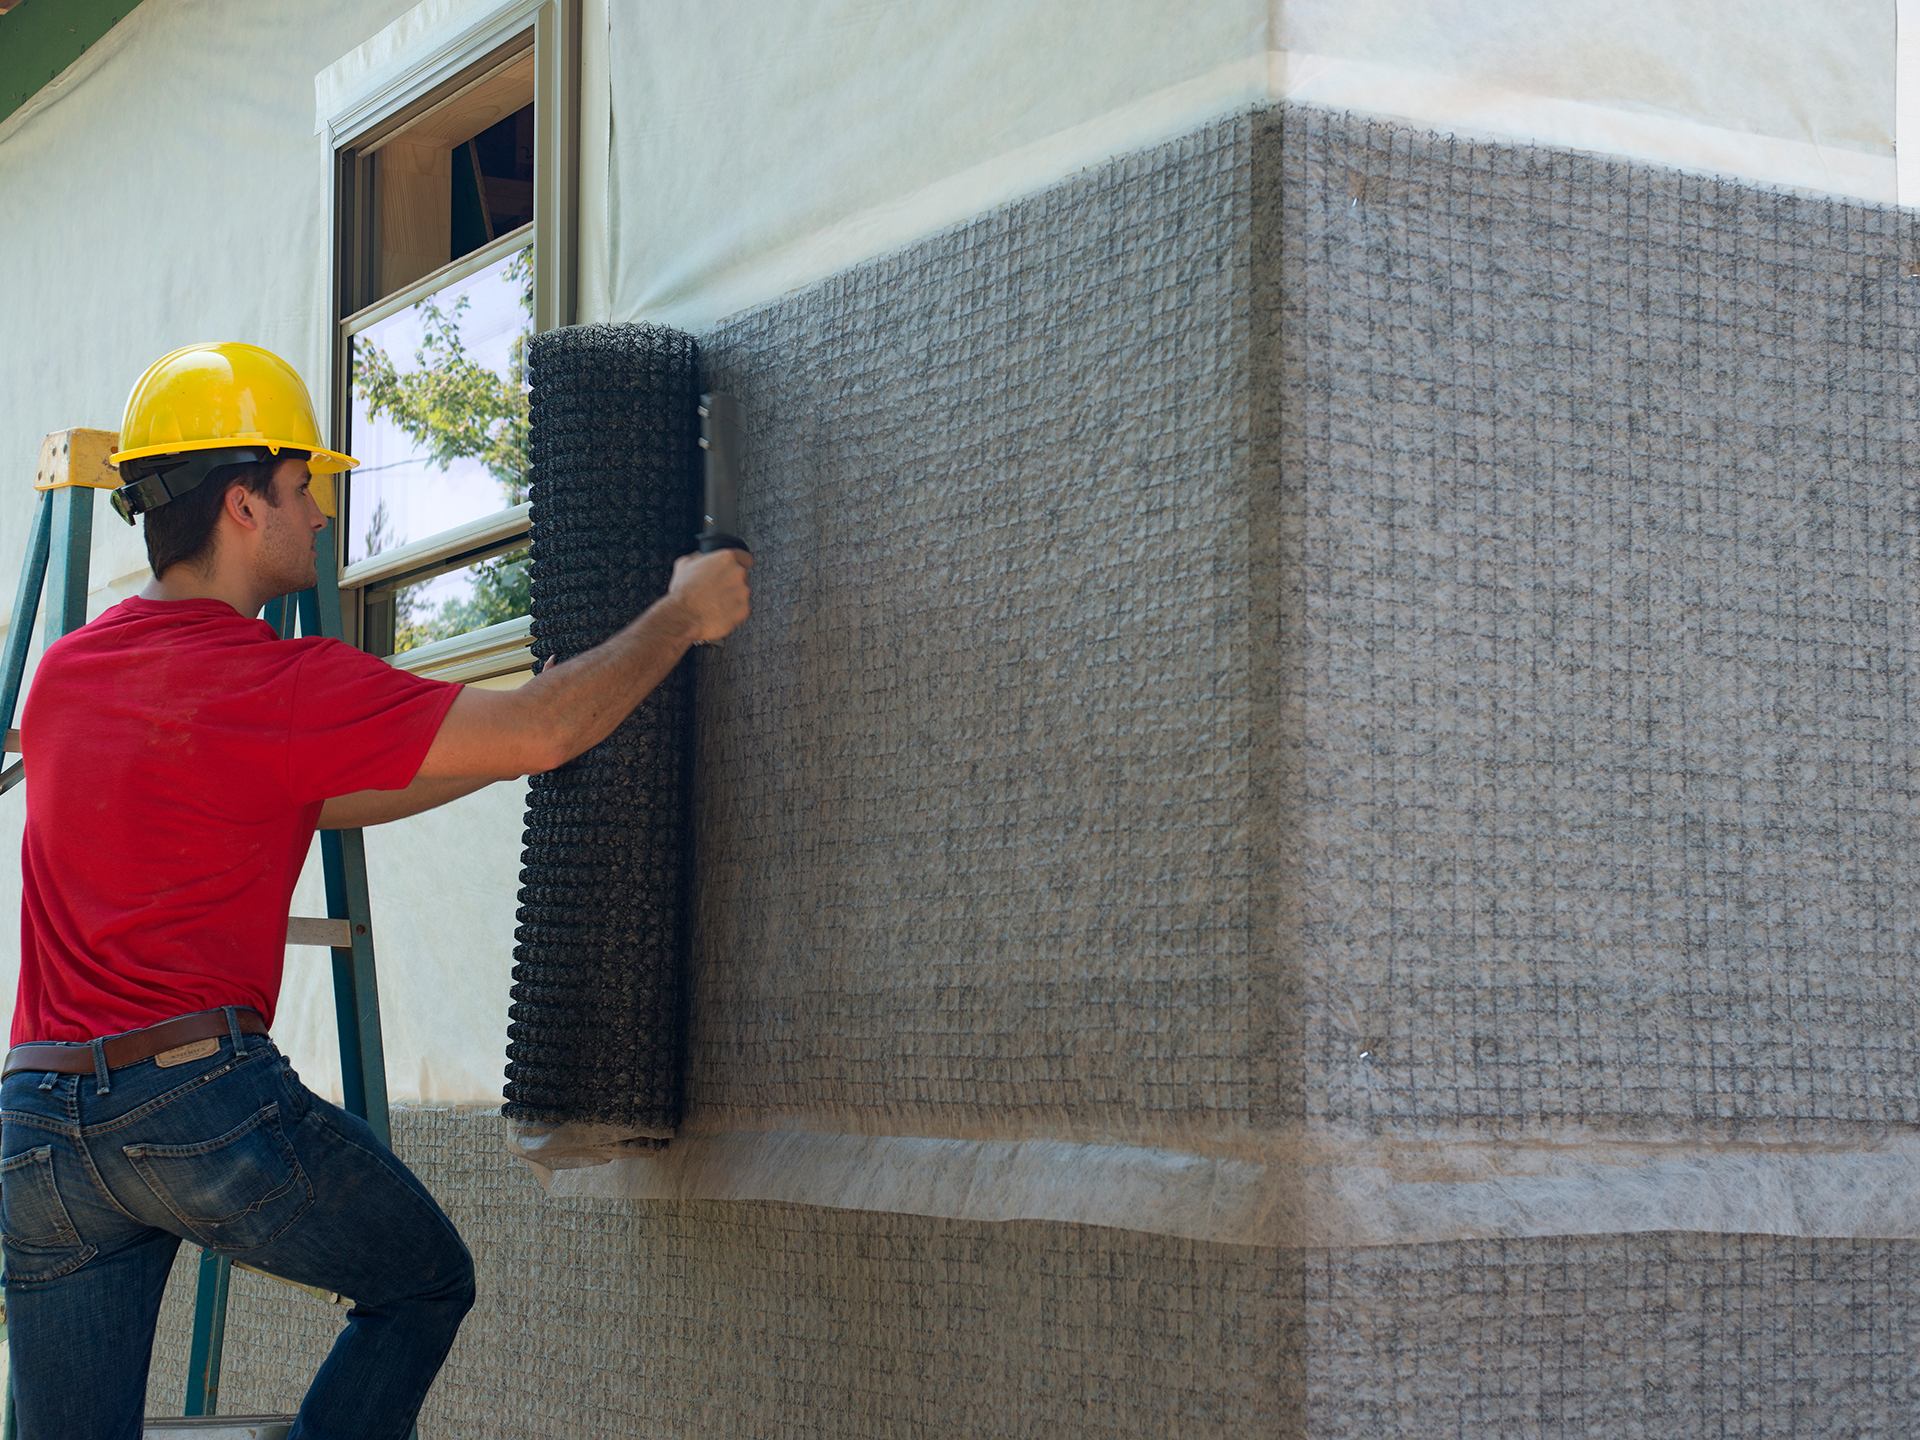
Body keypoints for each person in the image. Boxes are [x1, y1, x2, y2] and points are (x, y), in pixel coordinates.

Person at [0, 342, 751, 1439]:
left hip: (36, 1127)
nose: (321, 516)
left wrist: (492, 755)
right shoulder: (277, 680)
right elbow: (546, 730)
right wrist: (682, 615)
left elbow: (318, 798)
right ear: (243, 505)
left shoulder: (66, 675)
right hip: (194, 1110)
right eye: (304, 489)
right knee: (422, 1281)